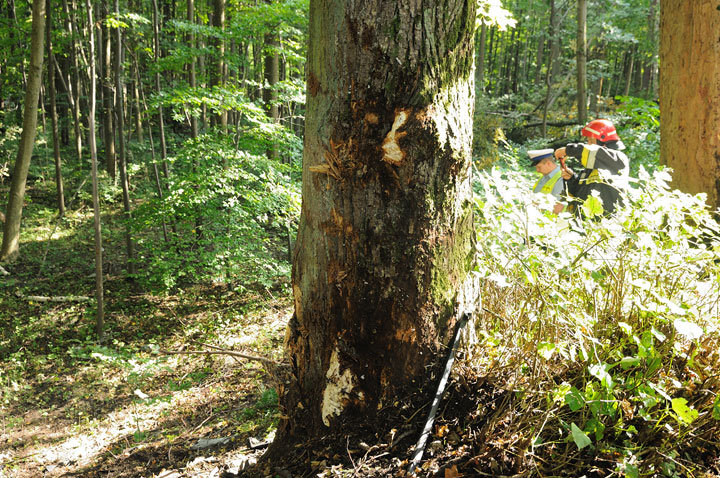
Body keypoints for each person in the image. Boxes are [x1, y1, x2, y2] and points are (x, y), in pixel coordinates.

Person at [555, 119, 629, 216]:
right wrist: (572, 179)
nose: (588, 144)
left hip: (607, 224)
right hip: (586, 225)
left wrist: (570, 150)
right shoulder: (590, 169)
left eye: (591, 140)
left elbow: (597, 153)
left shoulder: (617, 159)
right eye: (587, 141)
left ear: (603, 141)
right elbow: (579, 195)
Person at [527, 148, 565, 215]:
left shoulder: (561, 178)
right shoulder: (544, 177)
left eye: (539, 167)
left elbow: (558, 208)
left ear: (548, 164)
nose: (537, 170)